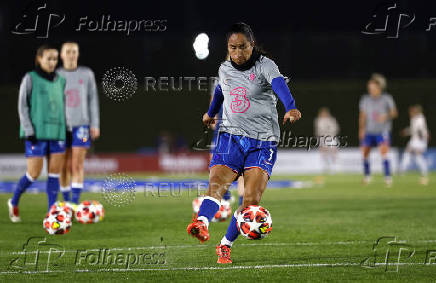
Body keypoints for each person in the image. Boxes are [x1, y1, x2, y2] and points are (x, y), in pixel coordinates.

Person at [186, 22, 301, 264]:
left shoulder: (265, 66)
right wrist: (210, 113)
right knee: (216, 184)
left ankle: (225, 245)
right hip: (230, 137)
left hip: (262, 142)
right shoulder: (225, 68)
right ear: (228, 48)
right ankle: (201, 223)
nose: (238, 53)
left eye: (243, 47)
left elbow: (279, 85)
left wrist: (291, 107)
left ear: (252, 45)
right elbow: (220, 91)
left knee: (251, 201)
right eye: (233, 48)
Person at [8, 45, 66, 222]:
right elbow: (22, 106)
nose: (52, 62)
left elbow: (61, 108)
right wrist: (28, 130)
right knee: (34, 173)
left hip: (57, 133)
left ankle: (51, 213)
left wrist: (66, 130)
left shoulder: (61, 80)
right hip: (36, 133)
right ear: (39, 59)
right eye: (48, 58)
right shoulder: (30, 78)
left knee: (55, 173)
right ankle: (14, 201)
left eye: (55, 59)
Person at [57, 41, 100, 204]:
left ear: (78, 54)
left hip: (81, 127)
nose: (71, 55)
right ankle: (66, 203)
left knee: (77, 165)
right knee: (62, 166)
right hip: (60, 128)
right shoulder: (56, 75)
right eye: (67, 52)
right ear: (61, 55)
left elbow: (93, 100)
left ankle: (74, 203)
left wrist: (95, 124)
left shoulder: (87, 74)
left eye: (74, 51)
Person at [359, 73, 397, 186]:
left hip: (382, 131)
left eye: (373, 88)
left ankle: (387, 177)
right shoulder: (365, 99)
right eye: (369, 88)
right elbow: (362, 115)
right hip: (369, 131)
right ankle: (367, 176)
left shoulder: (387, 98)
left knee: (384, 153)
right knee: (365, 153)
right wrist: (361, 129)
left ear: (379, 87)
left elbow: (394, 113)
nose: (370, 90)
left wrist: (385, 116)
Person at [400, 105, 429, 185]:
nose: (410, 113)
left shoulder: (420, 118)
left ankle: (424, 172)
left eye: (412, 111)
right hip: (415, 140)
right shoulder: (414, 119)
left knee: (416, 155)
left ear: (416, 111)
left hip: (419, 140)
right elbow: (413, 130)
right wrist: (406, 132)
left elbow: (420, 130)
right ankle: (402, 170)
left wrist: (422, 138)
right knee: (409, 153)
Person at [314, 107, 339, 175]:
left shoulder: (331, 120)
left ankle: (333, 167)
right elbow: (318, 131)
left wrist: (329, 134)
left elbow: (335, 129)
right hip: (323, 139)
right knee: (324, 154)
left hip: (331, 137)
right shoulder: (318, 121)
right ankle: (325, 167)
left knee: (333, 152)